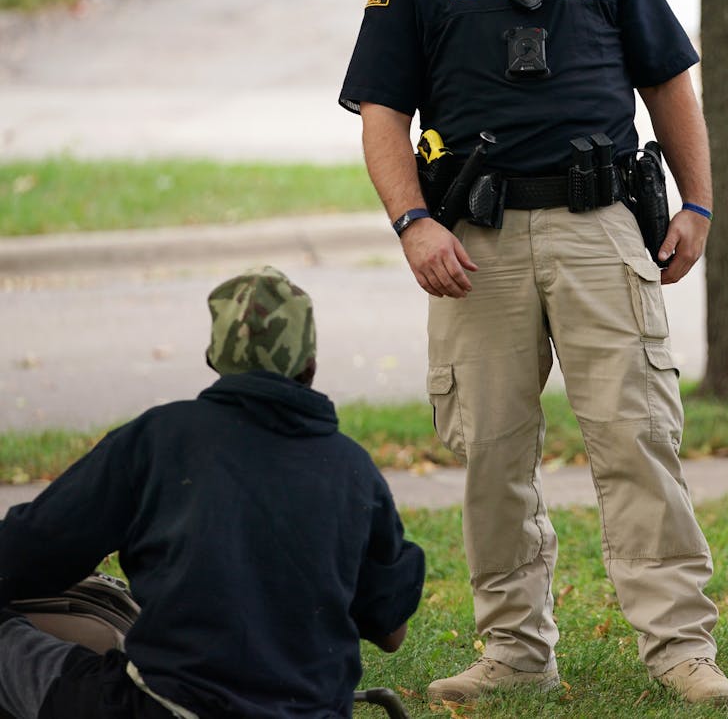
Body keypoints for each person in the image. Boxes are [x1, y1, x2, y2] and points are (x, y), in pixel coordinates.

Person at [337, 0, 728, 708]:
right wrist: (414, 224)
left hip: (601, 230)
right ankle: (515, 648)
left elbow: (672, 83)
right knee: (491, 454)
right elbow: (382, 118)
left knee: (638, 440)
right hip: (472, 246)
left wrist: (701, 205)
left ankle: (682, 650)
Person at [0, 266, 425, 719]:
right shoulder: (354, 470)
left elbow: (25, 555)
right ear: (310, 364)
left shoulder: (159, 438)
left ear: (214, 359)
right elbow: (391, 632)